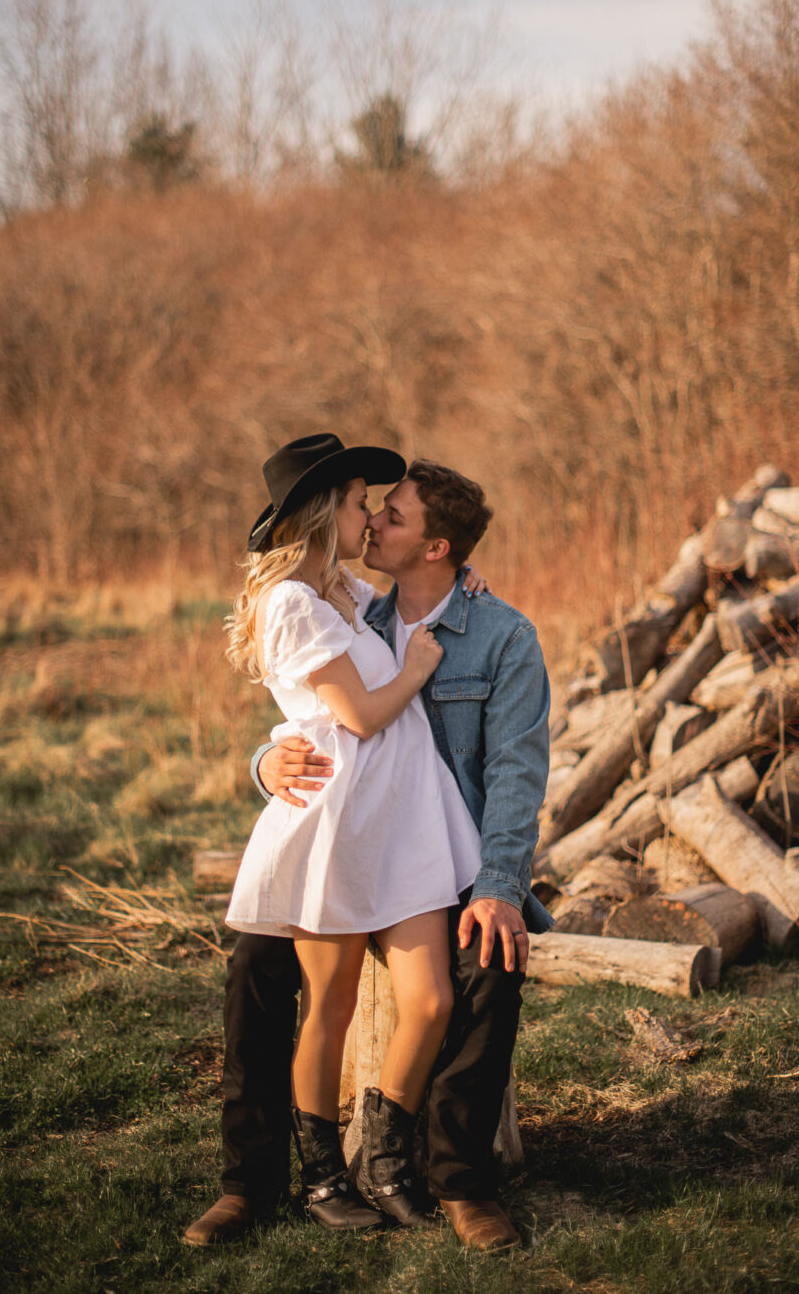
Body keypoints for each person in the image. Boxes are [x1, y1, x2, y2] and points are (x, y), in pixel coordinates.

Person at [184, 444, 551, 1253]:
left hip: (440, 850)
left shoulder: (499, 635)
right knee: (257, 971)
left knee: (486, 966)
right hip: (342, 840)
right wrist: (261, 763)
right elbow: (325, 717)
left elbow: (519, 777)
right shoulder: (359, 601)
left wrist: (497, 884)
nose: (376, 517)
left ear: (436, 550)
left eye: (393, 512)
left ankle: (454, 1181)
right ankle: (253, 1183)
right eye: (368, 505)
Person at [219, 433, 485, 1232]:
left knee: (431, 1000)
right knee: (328, 1006)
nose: (368, 517)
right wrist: (416, 669)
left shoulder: (336, 593)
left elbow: (409, 604)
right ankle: (323, 1176)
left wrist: (456, 577)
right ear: (322, 511)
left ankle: (390, 1153)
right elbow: (361, 716)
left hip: (400, 822)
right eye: (359, 502)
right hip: (337, 821)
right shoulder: (291, 604)